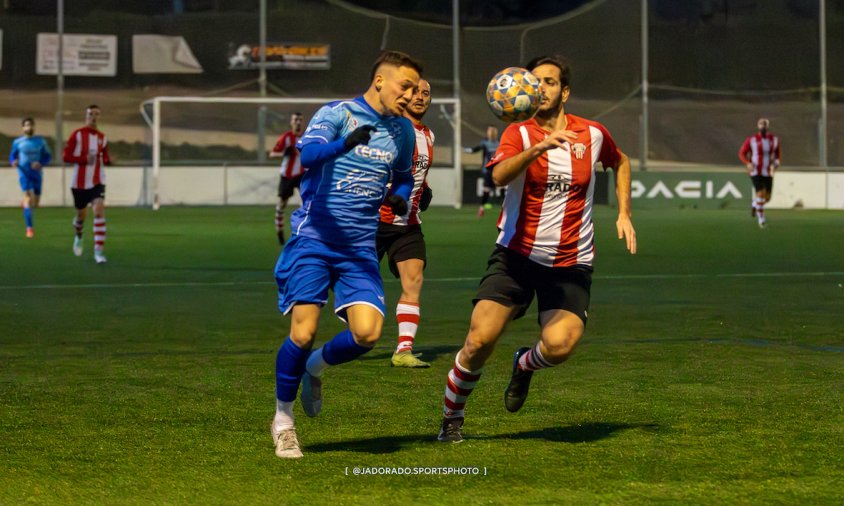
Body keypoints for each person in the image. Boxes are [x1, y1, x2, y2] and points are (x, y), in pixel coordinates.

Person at [436, 55, 637, 443]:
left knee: (560, 347)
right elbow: (497, 175)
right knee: (478, 341)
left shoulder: (592, 133)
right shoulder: (519, 133)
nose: (540, 88)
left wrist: (624, 212)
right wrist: (539, 148)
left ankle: (524, 364)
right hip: (516, 258)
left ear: (565, 91)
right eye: (535, 81)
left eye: (548, 82)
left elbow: (621, 161)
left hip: (569, 263)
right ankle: (452, 417)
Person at [271, 50, 422, 458]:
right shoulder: (337, 113)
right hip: (315, 239)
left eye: (414, 88)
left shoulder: (403, 132)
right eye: (404, 86)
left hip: (359, 248)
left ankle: (315, 367)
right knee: (302, 333)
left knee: (368, 335)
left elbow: (406, 177)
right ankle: (283, 420)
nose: (409, 95)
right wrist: (346, 143)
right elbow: (309, 156)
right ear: (380, 81)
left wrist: (403, 198)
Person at [376, 78, 435, 369]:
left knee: (414, 280)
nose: (421, 97)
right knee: (351, 284)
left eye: (426, 93)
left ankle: (403, 349)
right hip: (372, 221)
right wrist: (389, 196)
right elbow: (372, 170)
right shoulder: (390, 130)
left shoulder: (429, 135)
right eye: (416, 92)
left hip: (408, 224)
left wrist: (424, 192)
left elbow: (416, 175)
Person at [63, 104, 112, 264]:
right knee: (81, 216)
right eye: (91, 114)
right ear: (86, 116)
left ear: (100, 116)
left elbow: (104, 157)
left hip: (97, 181)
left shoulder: (102, 137)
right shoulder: (76, 135)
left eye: (97, 114)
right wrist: (84, 160)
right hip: (79, 183)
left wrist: (108, 161)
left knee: (98, 211)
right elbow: (66, 157)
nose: (93, 117)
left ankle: (99, 252)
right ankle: (78, 234)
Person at [9, 117, 52, 238]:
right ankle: (29, 228)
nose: (29, 127)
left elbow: (48, 156)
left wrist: (40, 163)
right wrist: (14, 161)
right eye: (27, 125)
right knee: (28, 197)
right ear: (23, 128)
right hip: (24, 172)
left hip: (37, 174)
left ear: (34, 127)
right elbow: (12, 156)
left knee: (36, 203)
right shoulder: (17, 142)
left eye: (31, 125)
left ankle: (26, 203)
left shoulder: (40, 141)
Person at [269, 112, 305, 245]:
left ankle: (302, 232)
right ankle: (279, 230)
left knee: (307, 202)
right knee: (282, 203)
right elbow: (272, 153)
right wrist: (285, 153)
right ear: (291, 122)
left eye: (300, 120)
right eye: (295, 120)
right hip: (287, 175)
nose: (298, 122)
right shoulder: (286, 137)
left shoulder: (307, 137)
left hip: (302, 174)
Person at [739, 117, 780, 228]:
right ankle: (761, 220)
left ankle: (754, 204)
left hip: (768, 171)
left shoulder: (774, 140)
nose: (763, 126)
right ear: (758, 126)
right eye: (761, 124)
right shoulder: (751, 140)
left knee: (767, 198)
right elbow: (742, 153)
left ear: (767, 126)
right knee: (760, 194)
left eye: (764, 124)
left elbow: (777, 153)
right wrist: (748, 163)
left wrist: (776, 162)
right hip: (755, 170)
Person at [464, 125, 500, 217]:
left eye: (489, 130)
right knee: (489, 189)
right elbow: (476, 149)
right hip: (491, 170)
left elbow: (476, 149)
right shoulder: (489, 143)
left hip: (494, 170)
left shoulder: (495, 144)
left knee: (500, 188)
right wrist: (468, 150)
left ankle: (484, 208)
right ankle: (482, 208)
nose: (488, 132)